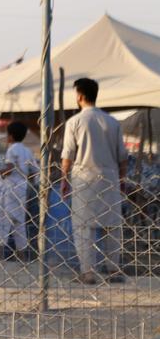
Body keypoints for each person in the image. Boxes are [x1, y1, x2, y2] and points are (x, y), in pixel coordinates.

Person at [61, 78, 128, 285]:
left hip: (84, 177)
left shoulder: (75, 122)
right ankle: (113, 269)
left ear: (80, 96)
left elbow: (68, 155)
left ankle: (88, 272)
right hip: (109, 176)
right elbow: (123, 157)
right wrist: (122, 179)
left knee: (83, 226)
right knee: (112, 224)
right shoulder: (112, 122)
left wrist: (64, 178)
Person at [0, 121, 36, 260]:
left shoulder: (12, 149)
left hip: (10, 187)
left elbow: (9, 169)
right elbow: (33, 171)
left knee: (3, 218)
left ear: (11, 136)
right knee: (19, 220)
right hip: (22, 187)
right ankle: (21, 254)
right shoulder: (27, 151)